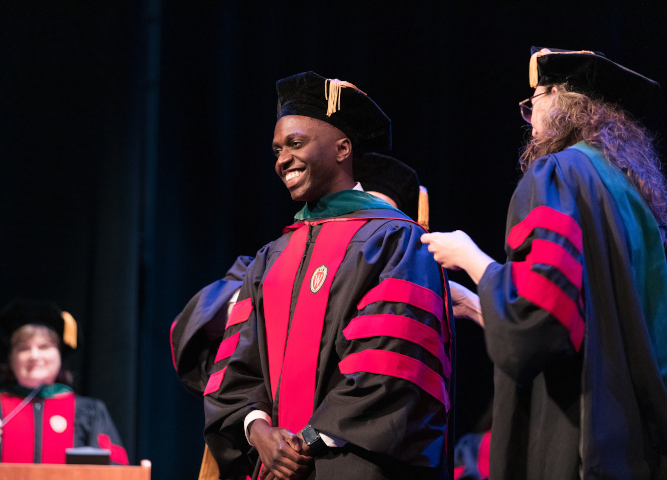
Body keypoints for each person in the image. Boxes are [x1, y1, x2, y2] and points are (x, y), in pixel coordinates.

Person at [422, 47, 667, 479]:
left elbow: (537, 323)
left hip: (578, 439)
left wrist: (472, 259)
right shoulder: (631, 193)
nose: (529, 116)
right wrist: (476, 303)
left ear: (555, 96)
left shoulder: (557, 175)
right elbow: (581, 321)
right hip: (637, 440)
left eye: (532, 101)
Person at [203, 72, 453, 480]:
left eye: (296, 144)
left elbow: (392, 365)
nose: (283, 158)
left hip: (357, 468)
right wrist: (259, 431)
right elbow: (237, 368)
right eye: (277, 149)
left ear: (342, 149)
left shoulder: (395, 241)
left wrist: (307, 442)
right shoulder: (271, 257)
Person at [0, 298, 128, 465]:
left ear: (60, 355)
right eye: (23, 348)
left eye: (44, 346)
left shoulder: (89, 412)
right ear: (11, 358)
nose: (34, 356)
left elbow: (116, 471)